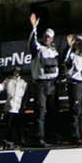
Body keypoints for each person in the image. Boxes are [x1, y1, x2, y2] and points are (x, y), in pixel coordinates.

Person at [28, 13, 60, 145]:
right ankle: (39, 137)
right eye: (46, 37)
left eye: (49, 37)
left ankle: (52, 135)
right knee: (41, 111)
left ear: (52, 39)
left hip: (52, 83)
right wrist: (34, 28)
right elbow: (31, 43)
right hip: (41, 84)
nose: (47, 39)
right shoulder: (38, 48)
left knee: (53, 111)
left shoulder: (54, 51)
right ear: (43, 37)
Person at [0, 67, 28, 148]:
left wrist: (24, 105)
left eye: (18, 72)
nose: (16, 73)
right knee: (9, 125)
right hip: (10, 107)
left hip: (19, 107)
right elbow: (0, 87)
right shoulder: (8, 81)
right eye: (15, 71)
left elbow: (26, 94)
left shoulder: (23, 82)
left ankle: (20, 141)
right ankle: (10, 140)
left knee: (19, 125)